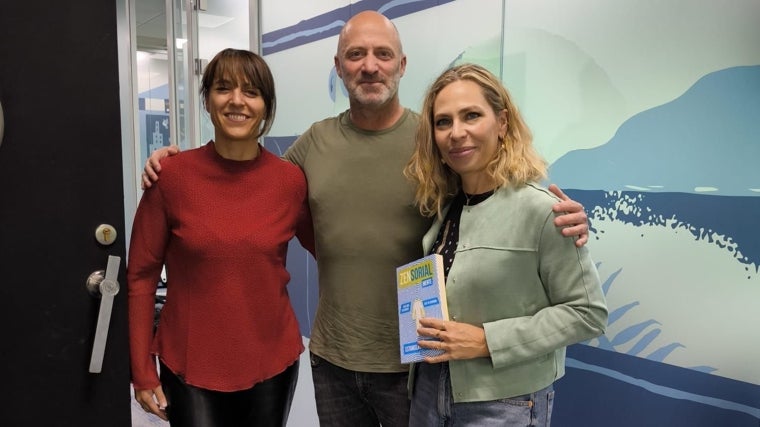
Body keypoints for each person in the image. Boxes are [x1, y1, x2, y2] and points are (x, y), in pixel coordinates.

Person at [141, 11, 591, 426]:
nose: (369, 66)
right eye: (356, 55)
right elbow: (252, 179)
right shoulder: (315, 143)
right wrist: (175, 164)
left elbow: (492, 190)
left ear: (402, 64)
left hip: (414, 365)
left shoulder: (433, 141)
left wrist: (559, 211)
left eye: (382, 54)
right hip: (333, 360)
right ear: (339, 66)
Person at [402, 63, 608, 426]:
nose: (457, 132)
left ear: (502, 123)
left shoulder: (543, 210)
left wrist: (487, 341)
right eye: (443, 122)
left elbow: (588, 312)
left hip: (503, 403)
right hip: (430, 392)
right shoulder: (447, 207)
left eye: (471, 116)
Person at [128, 48, 314, 427]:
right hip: (189, 362)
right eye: (224, 88)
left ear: (265, 106)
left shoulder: (289, 181)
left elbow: (332, 247)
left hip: (271, 360)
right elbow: (141, 277)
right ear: (208, 101)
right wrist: (141, 369)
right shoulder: (172, 177)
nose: (236, 101)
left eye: (251, 92)